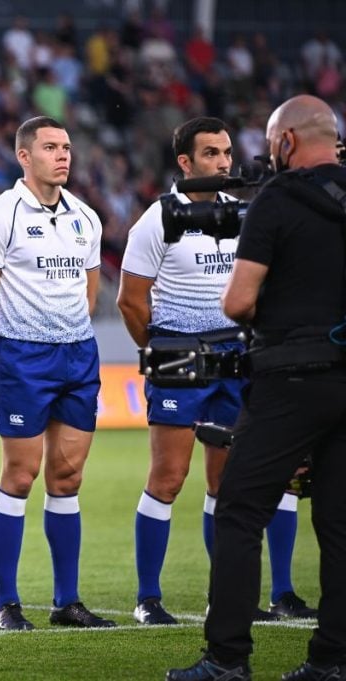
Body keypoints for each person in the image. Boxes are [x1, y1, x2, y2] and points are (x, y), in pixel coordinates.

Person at [167, 95, 346, 681]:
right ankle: (332, 662)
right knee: (340, 524)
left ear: (286, 142)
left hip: (291, 377)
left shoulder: (276, 198)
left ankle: (226, 660)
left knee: (240, 513)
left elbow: (238, 300)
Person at [117, 117, 317, 626]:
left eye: (227, 153)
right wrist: (163, 349)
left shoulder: (248, 214)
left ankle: (222, 596)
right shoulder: (157, 219)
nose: (224, 163)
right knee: (168, 477)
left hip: (235, 360)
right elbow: (130, 302)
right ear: (184, 163)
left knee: (226, 485)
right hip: (179, 360)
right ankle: (148, 598)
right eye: (211, 154)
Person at [0, 116, 114, 631]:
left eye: (67, 146)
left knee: (67, 477)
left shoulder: (86, 219)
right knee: (20, 475)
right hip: (23, 359)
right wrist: (0, 366)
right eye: (50, 147)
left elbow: (89, 296)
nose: (62, 155)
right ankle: (6, 603)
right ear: (24, 156)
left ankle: (66, 602)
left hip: (77, 355)